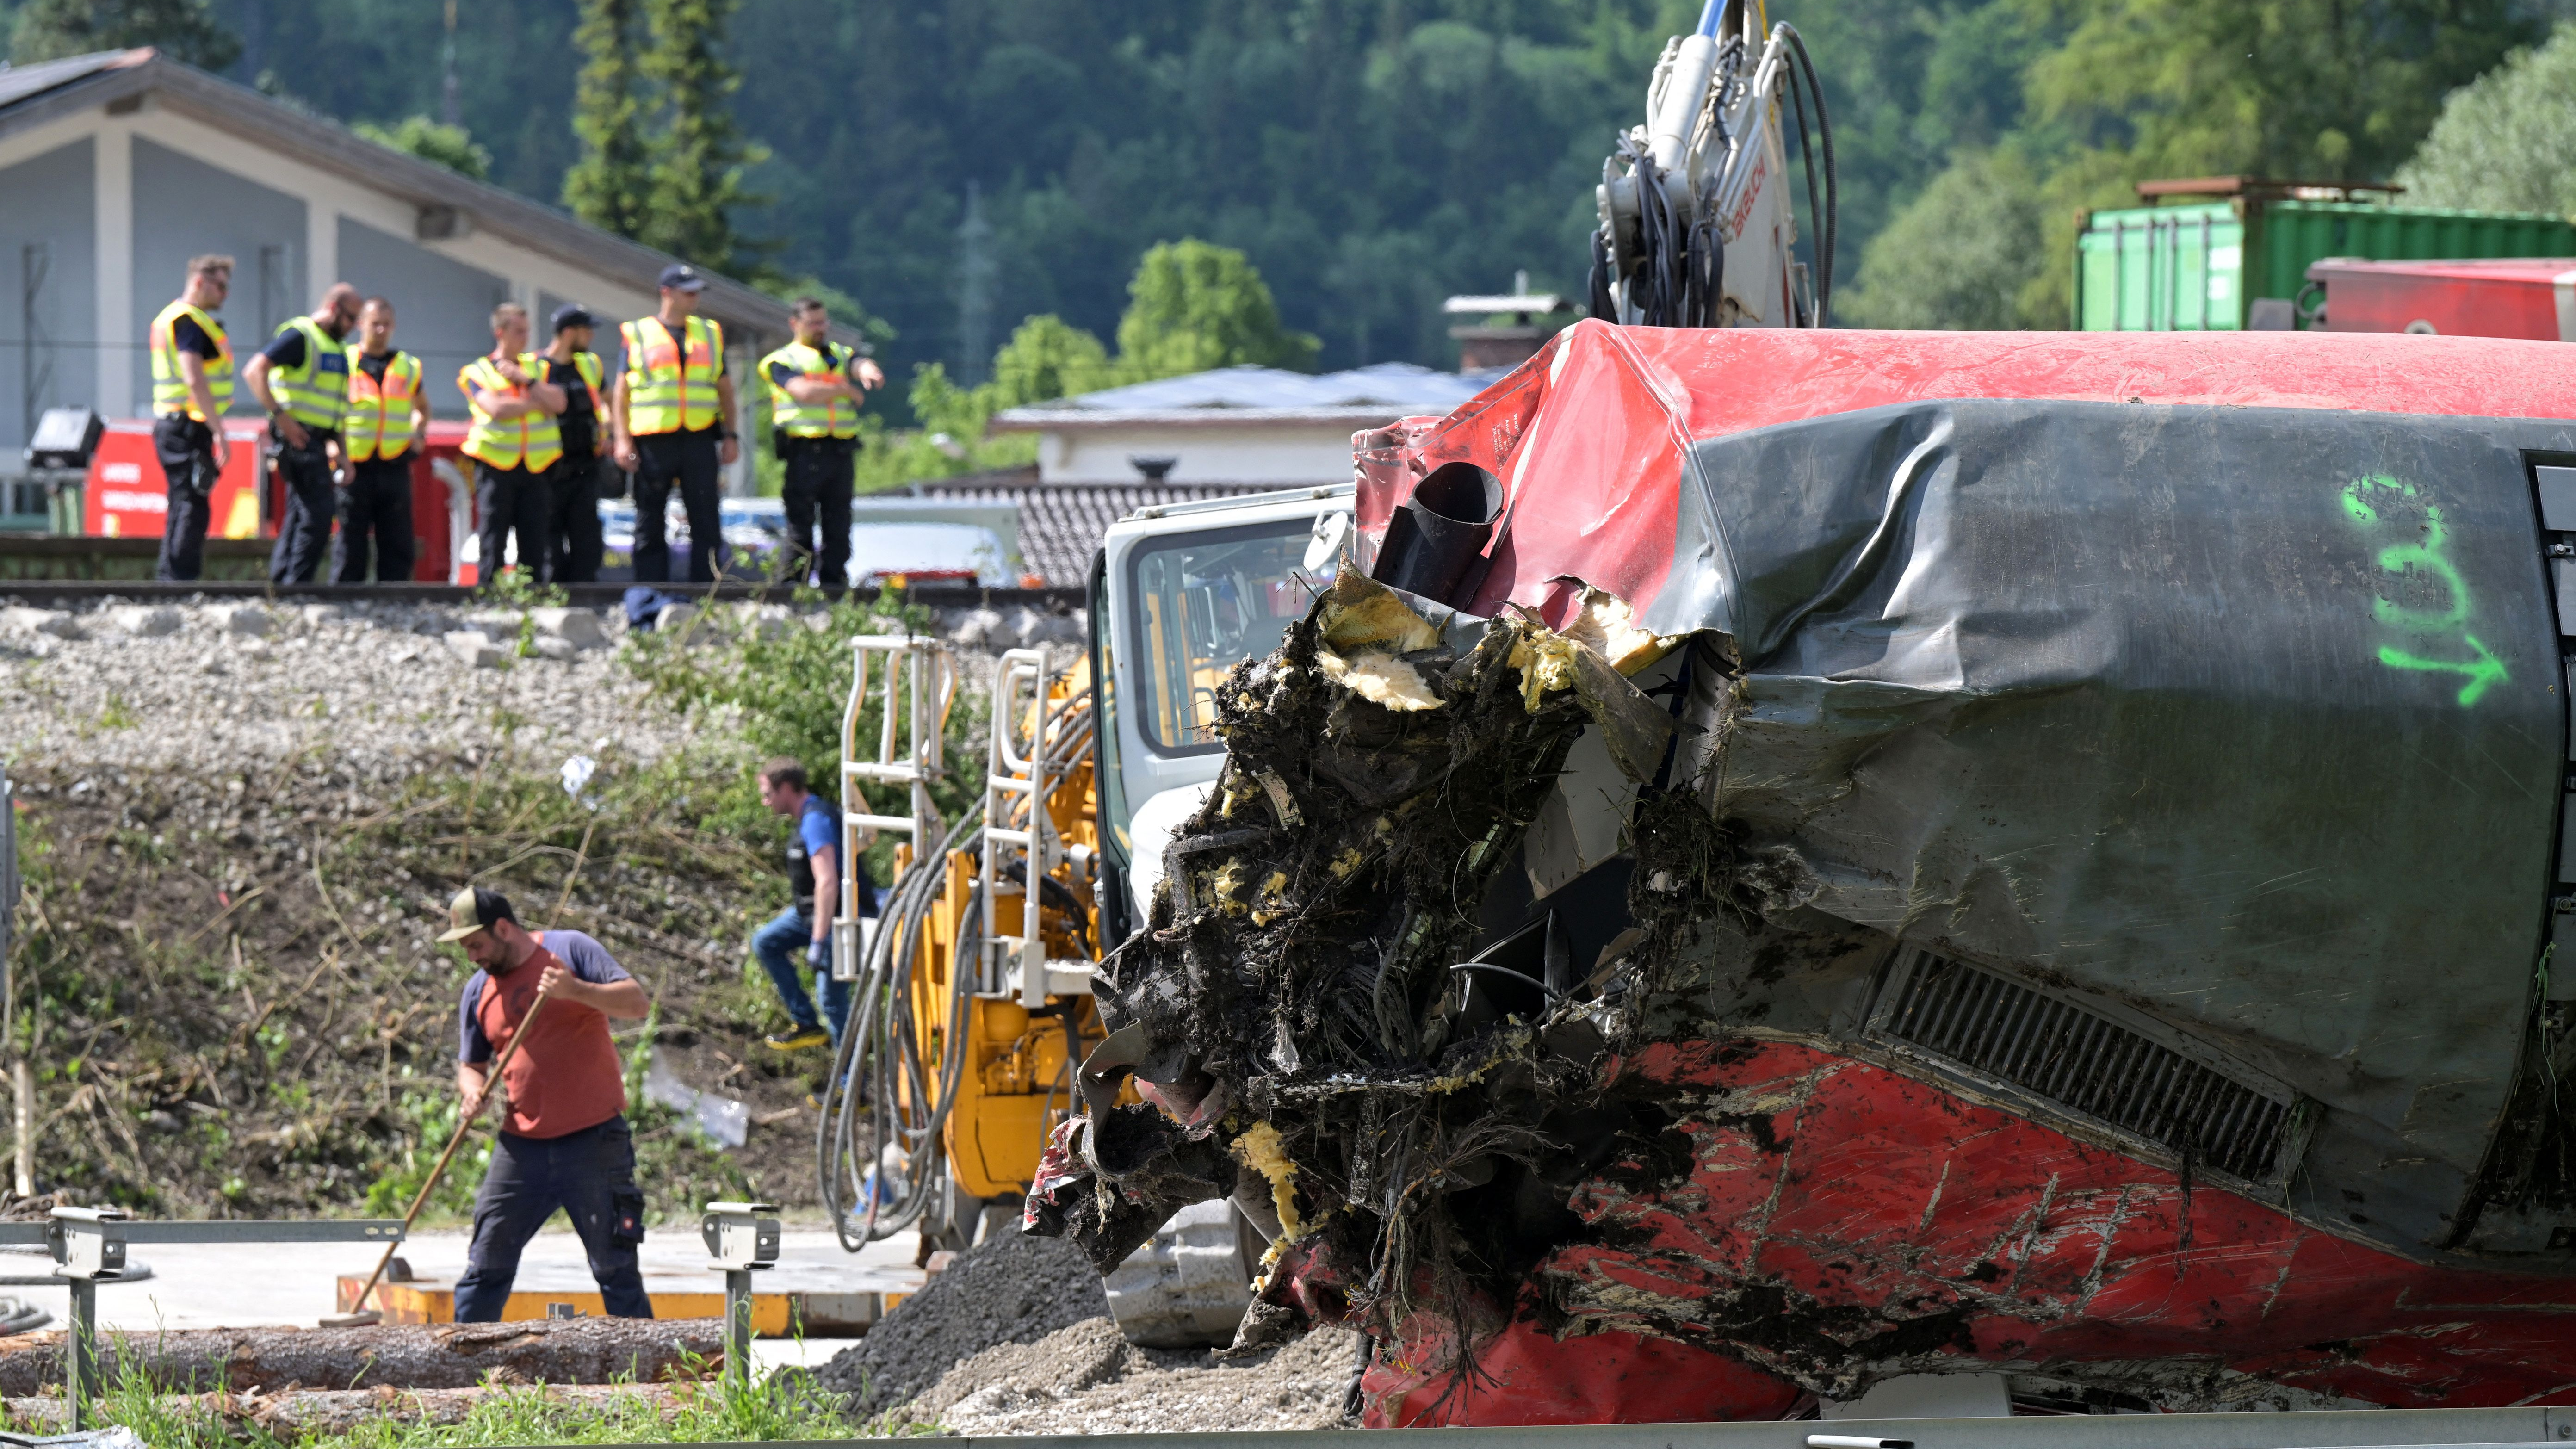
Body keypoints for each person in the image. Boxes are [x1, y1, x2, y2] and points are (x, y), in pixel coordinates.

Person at [440, 886, 654, 1321]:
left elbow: (637, 1004)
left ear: (503, 928)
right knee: (486, 1266)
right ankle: (460, 1370)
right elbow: (471, 1064)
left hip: (594, 1141)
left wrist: (574, 990)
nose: (472, 957)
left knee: (616, 1268)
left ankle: (649, 1377)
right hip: (521, 1149)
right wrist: (472, 1092)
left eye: (476, 945)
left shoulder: (569, 950)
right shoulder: (478, 991)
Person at [611, 264, 737, 584]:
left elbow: (725, 389)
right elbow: (621, 392)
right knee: (650, 517)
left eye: (697, 291)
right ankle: (651, 588)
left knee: (706, 518)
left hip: (698, 438)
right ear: (666, 292)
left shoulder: (709, 332)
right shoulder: (638, 333)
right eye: (688, 290)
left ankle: (704, 588)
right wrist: (622, 440)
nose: (695, 296)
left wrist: (732, 435)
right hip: (653, 440)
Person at [757, 298, 883, 589]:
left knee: (838, 523)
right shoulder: (782, 360)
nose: (820, 328)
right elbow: (802, 390)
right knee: (800, 525)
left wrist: (867, 370)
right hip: (804, 451)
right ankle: (791, 586)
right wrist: (843, 389)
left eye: (823, 322)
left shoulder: (837, 353)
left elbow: (857, 361)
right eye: (813, 323)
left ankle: (834, 585)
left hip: (840, 450)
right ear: (795, 324)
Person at [753, 757, 877, 1050]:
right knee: (766, 942)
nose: (765, 802)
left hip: (839, 918)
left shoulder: (816, 820)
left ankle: (852, 1086)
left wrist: (819, 942)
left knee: (832, 1001)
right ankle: (806, 1023)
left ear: (785, 789)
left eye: (768, 794)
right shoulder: (806, 819)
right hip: (811, 914)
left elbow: (827, 882)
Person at [242, 283, 360, 584]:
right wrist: (281, 417)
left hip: (319, 439)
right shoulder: (301, 336)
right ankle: (298, 583)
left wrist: (343, 454)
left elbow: (336, 409)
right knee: (320, 511)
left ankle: (283, 582)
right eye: (350, 319)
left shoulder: (338, 348)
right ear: (334, 309)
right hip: (298, 437)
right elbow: (255, 371)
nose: (353, 328)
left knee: (300, 512)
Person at [458, 303, 566, 587]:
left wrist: (526, 381)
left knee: (534, 538)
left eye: (527, 331)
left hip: (536, 466)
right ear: (500, 332)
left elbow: (559, 403)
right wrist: (535, 403)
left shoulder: (538, 368)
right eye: (518, 331)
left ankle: (530, 595)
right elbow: (496, 409)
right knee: (493, 535)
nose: (525, 338)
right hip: (496, 464)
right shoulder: (478, 371)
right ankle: (489, 594)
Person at [147, 254, 235, 582]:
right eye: (221, 286)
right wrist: (220, 432)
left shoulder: (176, 318)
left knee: (184, 500)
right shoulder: (188, 321)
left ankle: (170, 580)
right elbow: (194, 378)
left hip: (177, 424)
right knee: (192, 505)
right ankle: (179, 583)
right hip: (186, 425)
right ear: (200, 282)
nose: (226, 294)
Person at [335, 297, 428, 584]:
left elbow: (422, 407)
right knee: (351, 538)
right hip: (355, 464)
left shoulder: (408, 366)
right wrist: (334, 450)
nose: (381, 330)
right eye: (375, 324)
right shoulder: (343, 361)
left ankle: (396, 596)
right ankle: (348, 596)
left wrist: (419, 433)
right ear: (361, 324)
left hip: (394, 463)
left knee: (398, 538)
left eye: (386, 325)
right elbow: (330, 411)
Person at [540, 305, 608, 584]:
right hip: (548, 470)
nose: (591, 336)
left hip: (585, 467)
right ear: (569, 333)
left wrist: (610, 431)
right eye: (586, 330)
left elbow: (607, 400)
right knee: (549, 545)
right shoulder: (536, 367)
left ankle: (587, 600)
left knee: (587, 543)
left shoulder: (590, 364)